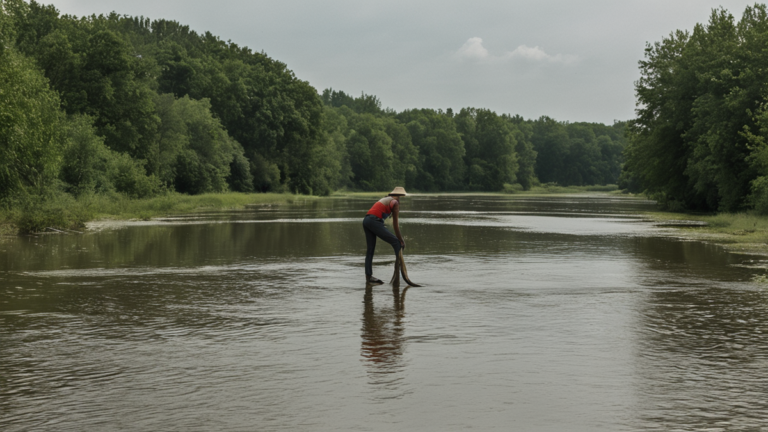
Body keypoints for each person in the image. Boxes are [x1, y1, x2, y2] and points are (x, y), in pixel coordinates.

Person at [363, 187, 407, 285]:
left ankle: (368, 277)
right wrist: (401, 240)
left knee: (370, 250)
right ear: (400, 196)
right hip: (374, 221)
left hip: (366, 220)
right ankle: (397, 277)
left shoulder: (386, 199)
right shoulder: (395, 203)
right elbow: (396, 225)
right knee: (396, 243)